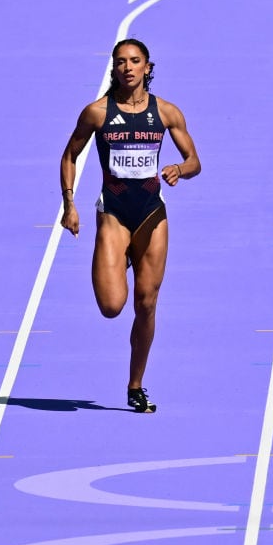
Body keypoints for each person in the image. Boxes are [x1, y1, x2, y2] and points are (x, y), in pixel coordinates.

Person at [60, 39, 201, 412]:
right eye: (120, 62)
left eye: (134, 61)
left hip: (153, 214)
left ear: (147, 68)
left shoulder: (166, 113)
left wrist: (179, 170)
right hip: (114, 212)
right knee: (111, 306)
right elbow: (70, 155)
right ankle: (115, 257)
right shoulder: (97, 113)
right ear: (114, 68)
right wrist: (69, 203)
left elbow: (194, 161)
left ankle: (135, 385)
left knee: (146, 303)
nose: (127, 67)